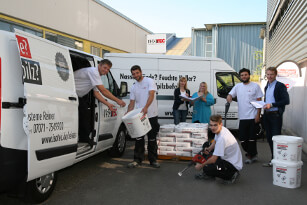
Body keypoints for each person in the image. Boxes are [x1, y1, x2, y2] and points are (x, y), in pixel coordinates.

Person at [74, 59, 126, 144]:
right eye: (105, 68)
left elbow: (96, 93)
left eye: (108, 69)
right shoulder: (93, 72)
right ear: (99, 65)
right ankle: (84, 138)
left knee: (85, 114)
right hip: (72, 95)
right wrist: (117, 100)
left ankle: (84, 138)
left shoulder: (95, 75)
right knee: (84, 114)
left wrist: (108, 104)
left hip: (78, 96)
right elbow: (103, 90)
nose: (106, 70)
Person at [127, 65, 160, 168]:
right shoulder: (133, 87)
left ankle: (153, 160)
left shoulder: (149, 81)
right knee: (139, 139)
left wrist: (146, 107)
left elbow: (151, 95)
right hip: (139, 117)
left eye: (137, 73)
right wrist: (127, 114)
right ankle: (137, 160)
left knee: (152, 139)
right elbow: (132, 103)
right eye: (133, 74)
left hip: (151, 115)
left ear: (141, 72)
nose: (135, 75)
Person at [227, 68, 263, 164]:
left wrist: (258, 115)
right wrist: (229, 97)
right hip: (242, 117)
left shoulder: (255, 86)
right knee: (242, 138)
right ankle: (253, 153)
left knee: (252, 138)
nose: (244, 76)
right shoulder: (238, 86)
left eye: (245, 74)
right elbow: (230, 94)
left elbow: (259, 101)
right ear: (240, 76)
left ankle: (250, 155)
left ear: (249, 75)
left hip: (252, 116)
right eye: (242, 75)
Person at [194, 115, 242, 184]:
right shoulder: (221, 129)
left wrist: (201, 165)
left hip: (232, 165)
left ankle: (231, 174)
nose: (212, 128)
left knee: (207, 167)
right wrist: (209, 149)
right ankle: (211, 172)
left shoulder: (222, 138)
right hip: (226, 158)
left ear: (220, 124)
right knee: (206, 146)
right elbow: (215, 141)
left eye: (215, 125)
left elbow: (213, 159)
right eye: (211, 125)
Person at [262, 67, 290, 167]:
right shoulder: (267, 86)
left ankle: (278, 160)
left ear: (275, 75)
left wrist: (272, 105)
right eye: (268, 74)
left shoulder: (280, 86)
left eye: (271, 74)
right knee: (269, 138)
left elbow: (286, 101)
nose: (269, 76)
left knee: (276, 139)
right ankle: (273, 160)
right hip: (267, 115)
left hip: (275, 116)